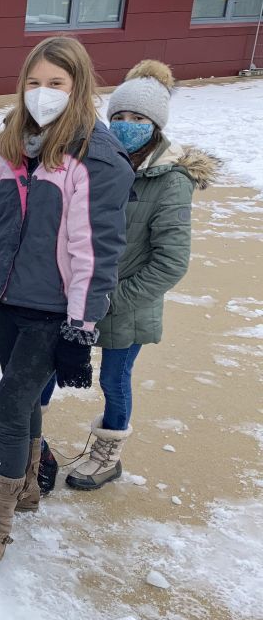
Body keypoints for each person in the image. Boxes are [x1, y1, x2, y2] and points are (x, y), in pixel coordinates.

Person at [0, 37, 134, 575]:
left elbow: (93, 254)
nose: (42, 94)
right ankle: (29, 488)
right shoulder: (11, 152)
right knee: (28, 404)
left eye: (56, 84)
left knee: (11, 410)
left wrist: (82, 327)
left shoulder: (95, 160)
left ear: (78, 87)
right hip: (9, 302)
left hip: (55, 314)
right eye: (34, 83)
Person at [65, 60, 217, 490]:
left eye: (138, 119)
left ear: (156, 125)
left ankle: (108, 453)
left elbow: (171, 260)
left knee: (114, 378)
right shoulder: (97, 162)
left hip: (124, 306)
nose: (127, 125)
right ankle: (30, 441)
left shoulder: (170, 181)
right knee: (48, 365)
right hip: (78, 294)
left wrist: (111, 299)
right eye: (120, 117)